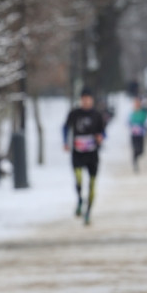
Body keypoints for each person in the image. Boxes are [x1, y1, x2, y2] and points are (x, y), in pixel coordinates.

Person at [62, 86, 106, 225]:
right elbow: (65, 127)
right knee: (79, 179)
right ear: (81, 100)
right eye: (84, 99)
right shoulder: (74, 114)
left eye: (88, 99)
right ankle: (80, 199)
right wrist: (65, 142)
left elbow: (103, 132)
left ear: (92, 100)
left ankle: (88, 213)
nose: (86, 101)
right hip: (78, 153)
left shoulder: (97, 115)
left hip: (92, 154)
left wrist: (101, 137)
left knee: (92, 185)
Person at [128, 95, 147, 173]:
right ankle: (135, 163)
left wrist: (145, 126)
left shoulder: (144, 112)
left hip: (141, 134)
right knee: (135, 149)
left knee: (141, 150)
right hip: (134, 134)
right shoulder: (131, 112)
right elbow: (127, 122)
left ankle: (136, 157)